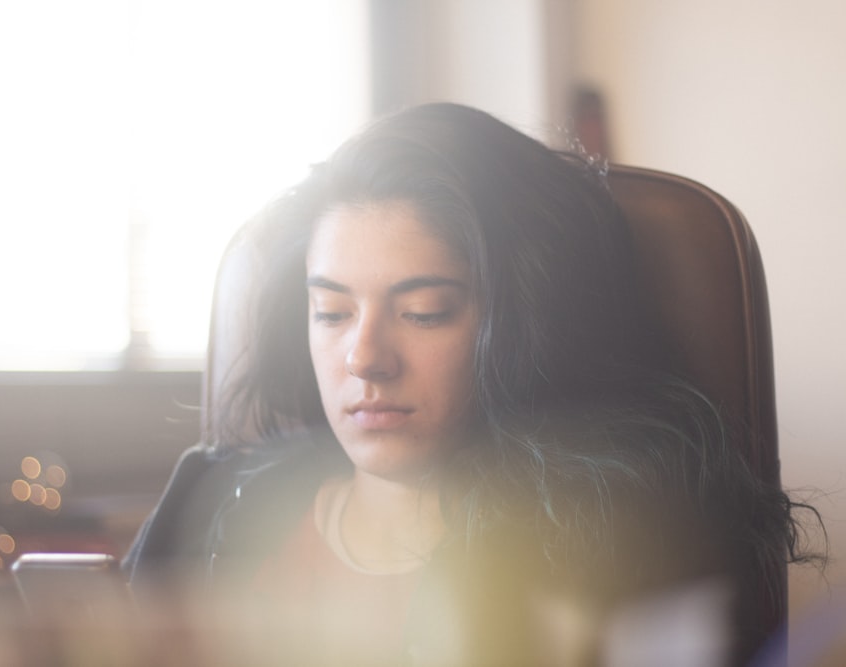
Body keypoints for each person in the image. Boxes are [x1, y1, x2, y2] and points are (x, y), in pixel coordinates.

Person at [124, 103, 820, 666]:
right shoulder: (213, 500)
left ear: (525, 325)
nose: (365, 357)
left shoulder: (625, 545)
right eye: (331, 312)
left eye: (424, 312)